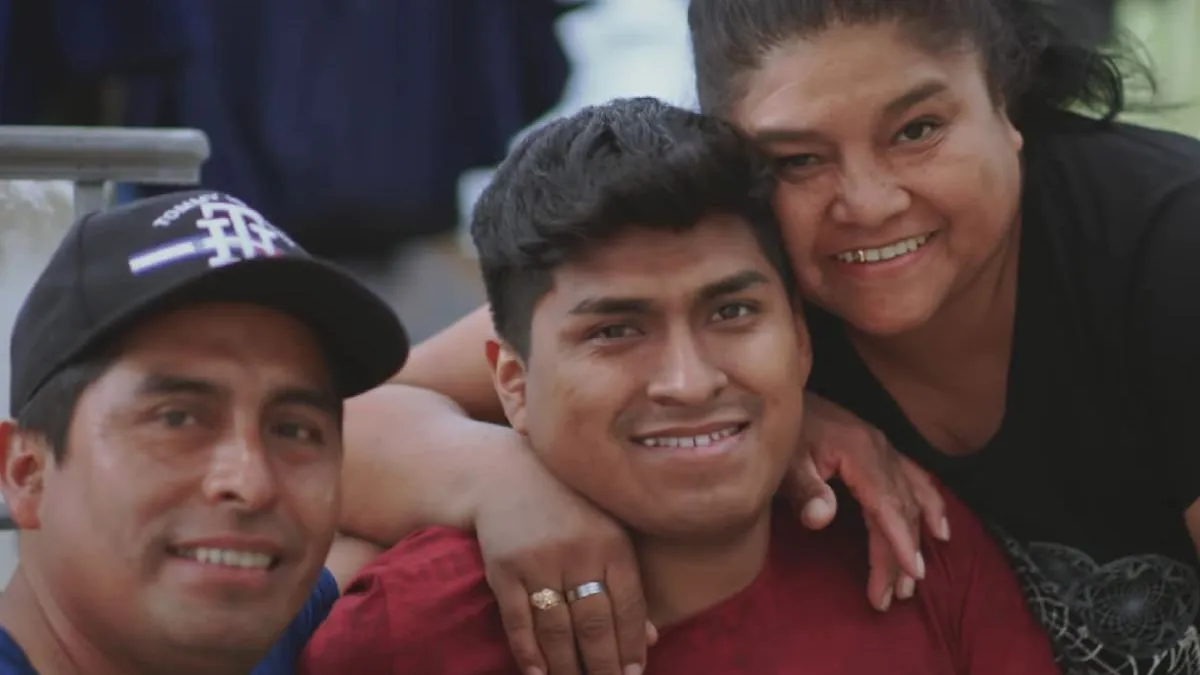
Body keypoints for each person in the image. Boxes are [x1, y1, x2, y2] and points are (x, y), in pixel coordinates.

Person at [332, 0, 1200, 673]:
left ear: (1006, 107)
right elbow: (345, 419)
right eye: (798, 160)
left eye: (919, 130)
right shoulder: (741, 267)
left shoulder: (1166, 251)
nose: (868, 201)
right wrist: (509, 487)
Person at [303, 96, 1058, 675]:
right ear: (513, 381)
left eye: (732, 311)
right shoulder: (413, 628)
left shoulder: (908, 548)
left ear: (800, 339)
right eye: (615, 330)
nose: (688, 381)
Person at [0, 190, 408, 675]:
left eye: (294, 430)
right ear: (28, 474)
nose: (251, 484)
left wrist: (490, 474)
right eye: (177, 419)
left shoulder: (259, 617)